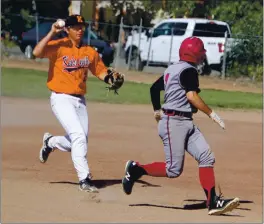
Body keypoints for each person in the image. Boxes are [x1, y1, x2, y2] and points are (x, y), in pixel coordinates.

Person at [121, 37, 240, 215]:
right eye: (201, 52)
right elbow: (192, 96)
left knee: (206, 157)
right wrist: (211, 114)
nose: (202, 56)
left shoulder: (173, 69)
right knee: (173, 169)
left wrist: (156, 110)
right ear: (194, 54)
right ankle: (136, 169)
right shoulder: (189, 71)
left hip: (184, 122)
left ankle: (213, 202)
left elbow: (154, 88)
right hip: (174, 123)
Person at [33, 15, 124, 193]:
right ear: (67, 29)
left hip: (80, 101)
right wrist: (52, 31)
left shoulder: (89, 51)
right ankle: (84, 179)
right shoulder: (59, 46)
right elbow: (36, 53)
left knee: (79, 140)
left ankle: (50, 142)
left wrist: (110, 78)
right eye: (75, 26)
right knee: (78, 137)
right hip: (61, 98)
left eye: (81, 26)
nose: (80, 29)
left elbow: (100, 70)